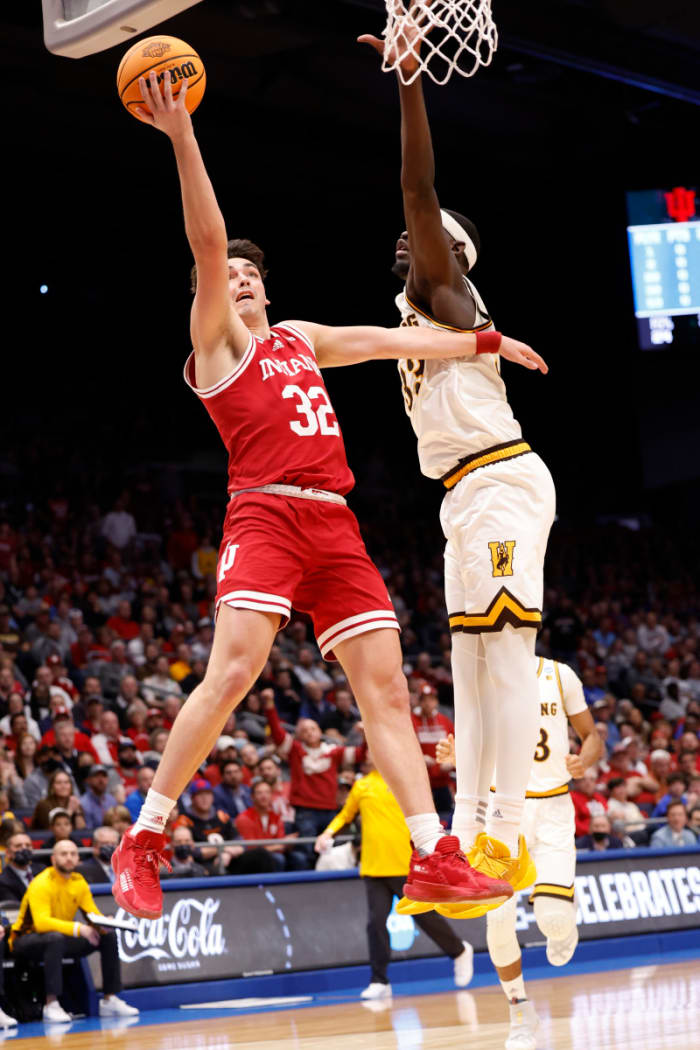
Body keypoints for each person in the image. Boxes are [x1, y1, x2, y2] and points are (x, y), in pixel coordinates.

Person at [110, 71, 541, 920]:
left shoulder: (300, 338)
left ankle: (433, 856)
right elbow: (207, 242)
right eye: (226, 276)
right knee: (234, 672)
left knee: (388, 690)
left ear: (267, 289)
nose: (237, 279)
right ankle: (145, 837)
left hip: (335, 524)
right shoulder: (218, 346)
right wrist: (182, 134)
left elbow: (383, 340)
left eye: (249, 274)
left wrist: (485, 342)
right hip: (265, 510)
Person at [358, 23, 554, 902]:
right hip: (461, 495)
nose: (408, 239)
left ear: (454, 255)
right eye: (410, 238)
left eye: (427, 236)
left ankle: (510, 840)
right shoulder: (415, 319)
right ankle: (472, 837)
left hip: (502, 481)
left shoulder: (447, 293)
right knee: (470, 669)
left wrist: (408, 82)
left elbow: (417, 186)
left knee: (504, 662)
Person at [437, 655, 601, 1050]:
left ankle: (564, 919)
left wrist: (584, 760)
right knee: (498, 921)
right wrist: (459, 757)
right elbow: (472, 740)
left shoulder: (560, 675)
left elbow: (592, 735)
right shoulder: (483, 674)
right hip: (501, 810)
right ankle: (520, 1012)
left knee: (553, 922)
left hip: (553, 809)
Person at [315, 755, 473, 1000]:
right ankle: (379, 981)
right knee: (375, 924)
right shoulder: (362, 785)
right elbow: (345, 815)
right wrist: (327, 833)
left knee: (425, 916)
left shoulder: (405, 780)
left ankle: (460, 951)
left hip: (404, 864)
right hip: (373, 866)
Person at [9, 839, 138, 1022]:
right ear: (53, 859)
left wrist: (102, 923)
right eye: (63, 854)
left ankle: (110, 999)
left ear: (78, 858)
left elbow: (91, 914)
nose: (69, 858)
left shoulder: (78, 881)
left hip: (60, 938)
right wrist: (79, 929)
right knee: (54, 938)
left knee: (107, 936)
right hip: (24, 940)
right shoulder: (41, 882)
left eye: (73, 854)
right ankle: (51, 1004)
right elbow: (41, 923)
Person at [0, 830, 44, 902]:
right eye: (18, 846)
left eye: (28, 845)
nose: (24, 848)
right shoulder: (3, 881)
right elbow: (13, 906)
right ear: (8, 853)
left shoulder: (43, 870)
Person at [80, 765, 119, 830]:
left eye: (104, 776)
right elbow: (87, 831)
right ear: (89, 780)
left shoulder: (112, 800)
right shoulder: (83, 803)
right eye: (96, 776)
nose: (101, 780)